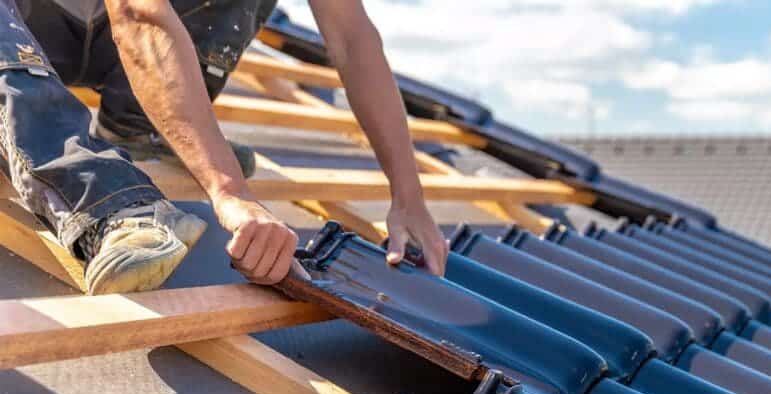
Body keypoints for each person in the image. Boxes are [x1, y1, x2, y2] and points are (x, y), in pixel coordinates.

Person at [1, 0, 448, 294]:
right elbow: (139, 15)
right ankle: (105, 202)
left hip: (92, 35)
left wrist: (408, 198)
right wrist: (229, 191)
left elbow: (352, 39)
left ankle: (145, 124)